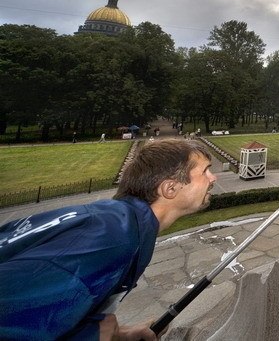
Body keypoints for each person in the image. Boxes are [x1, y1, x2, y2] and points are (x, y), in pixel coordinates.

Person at [0, 139, 217, 340]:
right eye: (205, 171)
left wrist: (118, 334)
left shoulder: (115, 223)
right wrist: (96, 334)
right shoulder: (108, 242)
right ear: (170, 188)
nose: (213, 178)